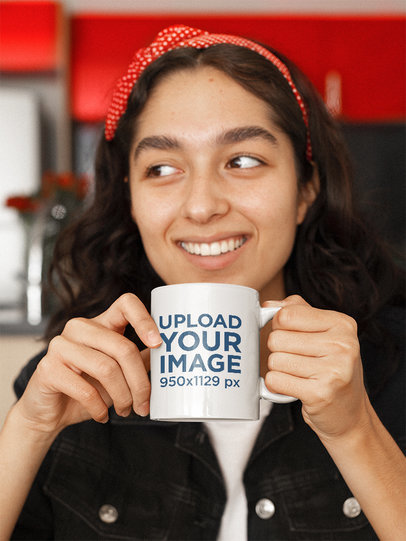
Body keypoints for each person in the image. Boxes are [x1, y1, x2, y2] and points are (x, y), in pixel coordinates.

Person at [0, 24, 405, 540]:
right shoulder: (73, 381)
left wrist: (356, 432)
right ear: (129, 199)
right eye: (163, 168)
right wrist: (28, 431)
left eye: (242, 160)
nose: (202, 206)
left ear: (306, 188)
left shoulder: (393, 367)